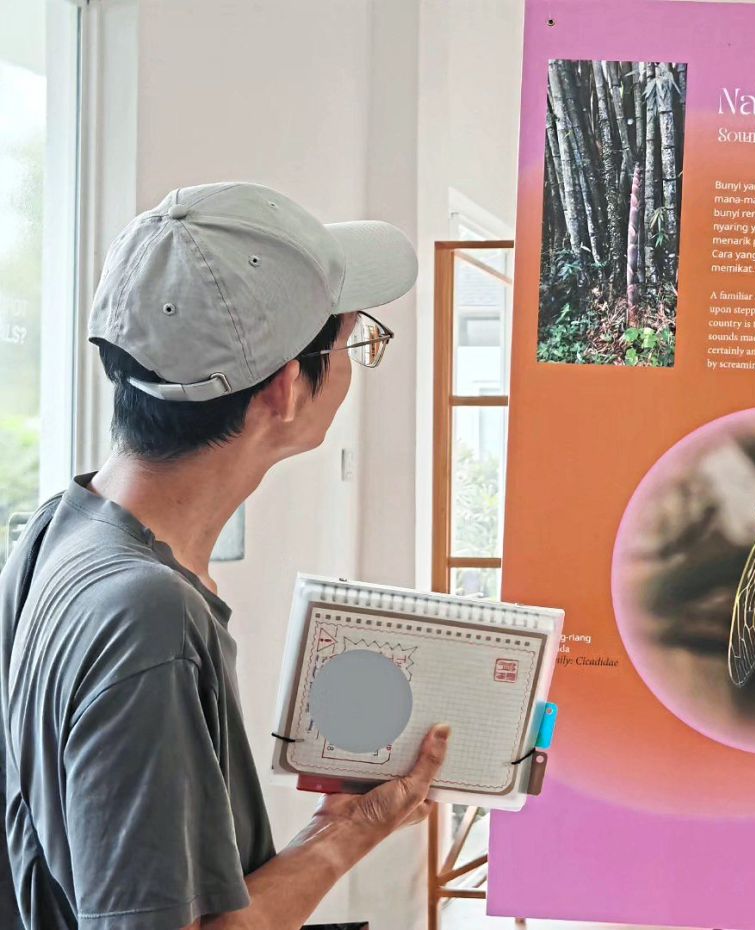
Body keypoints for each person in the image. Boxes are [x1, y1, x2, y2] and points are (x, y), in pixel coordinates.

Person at [0, 182, 449, 929]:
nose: (350, 365)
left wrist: (349, 825)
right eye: (351, 339)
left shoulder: (58, 529)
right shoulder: (148, 618)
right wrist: (350, 837)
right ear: (282, 390)